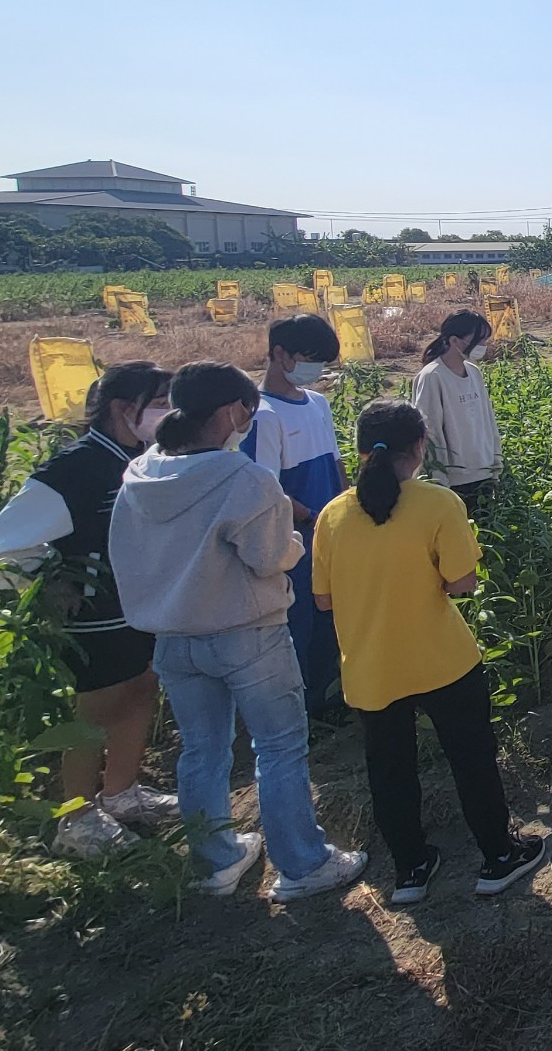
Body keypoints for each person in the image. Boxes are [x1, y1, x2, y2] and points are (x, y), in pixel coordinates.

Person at [109, 362, 364, 900]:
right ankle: (302, 864)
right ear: (231, 411)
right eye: (246, 410)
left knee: (202, 750)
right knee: (279, 747)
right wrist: (296, 543)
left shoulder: (142, 474)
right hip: (246, 632)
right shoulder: (240, 479)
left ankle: (216, 860)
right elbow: (271, 556)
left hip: (173, 638)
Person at [312, 400, 546, 905]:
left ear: (358, 448)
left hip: (370, 667)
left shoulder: (332, 515)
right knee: (472, 759)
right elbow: (462, 584)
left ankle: (411, 870)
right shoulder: (438, 504)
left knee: (390, 770)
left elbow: (323, 599)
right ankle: (498, 858)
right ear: (419, 447)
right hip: (442, 660)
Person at [0, 361, 180, 858]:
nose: (169, 413)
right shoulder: (76, 468)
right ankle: (75, 819)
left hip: (139, 607)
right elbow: (0, 548)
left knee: (140, 693)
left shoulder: (144, 457)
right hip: (96, 616)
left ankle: (122, 793)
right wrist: (48, 583)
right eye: (160, 403)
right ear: (122, 408)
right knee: (94, 714)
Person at [242, 314, 348, 718]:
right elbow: (265, 489)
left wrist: (346, 505)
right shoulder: (261, 414)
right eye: (310, 357)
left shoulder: (317, 403)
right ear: (278, 354)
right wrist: (312, 516)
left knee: (332, 615)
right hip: (296, 540)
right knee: (299, 620)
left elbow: (335, 462)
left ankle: (331, 694)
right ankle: (301, 707)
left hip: (329, 529)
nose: (315, 368)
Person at [410, 310, 502, 513]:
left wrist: (496, 464)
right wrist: (439, 481)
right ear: (454, 341)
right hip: (455, 480)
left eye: (486, 340)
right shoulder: (432, 377)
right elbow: (429, 431)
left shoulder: (473, 372)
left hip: (484, 473)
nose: (484, 346)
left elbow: (488, 420)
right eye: (479, 340)